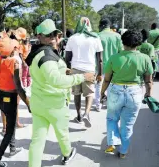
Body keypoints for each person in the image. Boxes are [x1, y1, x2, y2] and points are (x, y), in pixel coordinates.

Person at [26, 19, 95, 167]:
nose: (53, 38)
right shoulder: (47, 57)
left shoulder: (37, 52)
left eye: (55, 34)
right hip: (54, 104)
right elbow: (56, 80)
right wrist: (82, 77)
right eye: (48, 35)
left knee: (37, 141)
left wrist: (66, 70)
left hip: (38, 103)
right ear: (39, 36)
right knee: (62, 134)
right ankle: (67, 154)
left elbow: (52, 73)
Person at [100, 30, 153, 158]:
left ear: (122, 42)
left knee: (112, 119)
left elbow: (107, 79)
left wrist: (102, 93)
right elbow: (148, 81)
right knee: (127, 124)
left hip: (116, 91)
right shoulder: (145, 58)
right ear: (138, 43)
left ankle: (112, 142)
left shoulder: (114, 58)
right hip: (134, 92)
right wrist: (148, 94)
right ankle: (123, 151)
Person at [0, 36, 30, 167]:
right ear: (11, 49)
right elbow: (18, 86)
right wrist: (28, 103)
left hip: (0, 98)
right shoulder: (13, 63)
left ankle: (12, 148)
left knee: (10, 124)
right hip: (10, 98)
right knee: (9, 131)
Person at [65, 17, 103, 127]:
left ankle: (79, 116)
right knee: (89, 94)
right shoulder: (95, 38)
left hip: (75, 70)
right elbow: (100, 59)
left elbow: (67, 57)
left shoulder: (72, 38)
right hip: (89, 70)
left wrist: (68, 70)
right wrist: (100, 74)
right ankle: (87, 113)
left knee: (76, 94)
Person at [95, 18, 123, 111]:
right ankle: (108, 104)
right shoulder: (117, 36)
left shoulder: (97, 36)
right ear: (109, 26)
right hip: (114, 65)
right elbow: (120, 51)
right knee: (111, 85)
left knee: (99, 85)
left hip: (99, 65)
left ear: (101, 26)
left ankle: (98, 105)